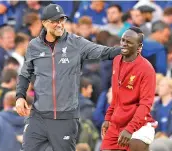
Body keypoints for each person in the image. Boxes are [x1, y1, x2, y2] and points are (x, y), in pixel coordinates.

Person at [15, 4, 121, 151]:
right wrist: (20, 96)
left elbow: (103, 52)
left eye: (62, 20)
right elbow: (24, 74)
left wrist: (124, 49)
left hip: (65, 117)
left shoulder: (75, 43)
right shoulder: (34, 46)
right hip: (38, 115)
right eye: (55, 21)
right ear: (44, 23)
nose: (59, 24)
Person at [101, 27, 157, 151]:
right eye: (123, 40)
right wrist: (108, 118)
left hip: (139, 125)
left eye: (129, 42)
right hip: (117, 123)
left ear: (139, 46)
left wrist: (130, 129)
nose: (124, 44)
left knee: (136, 145)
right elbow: (116, 96)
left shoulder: (147, 69)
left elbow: (145, 104)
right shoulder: (116, 60)